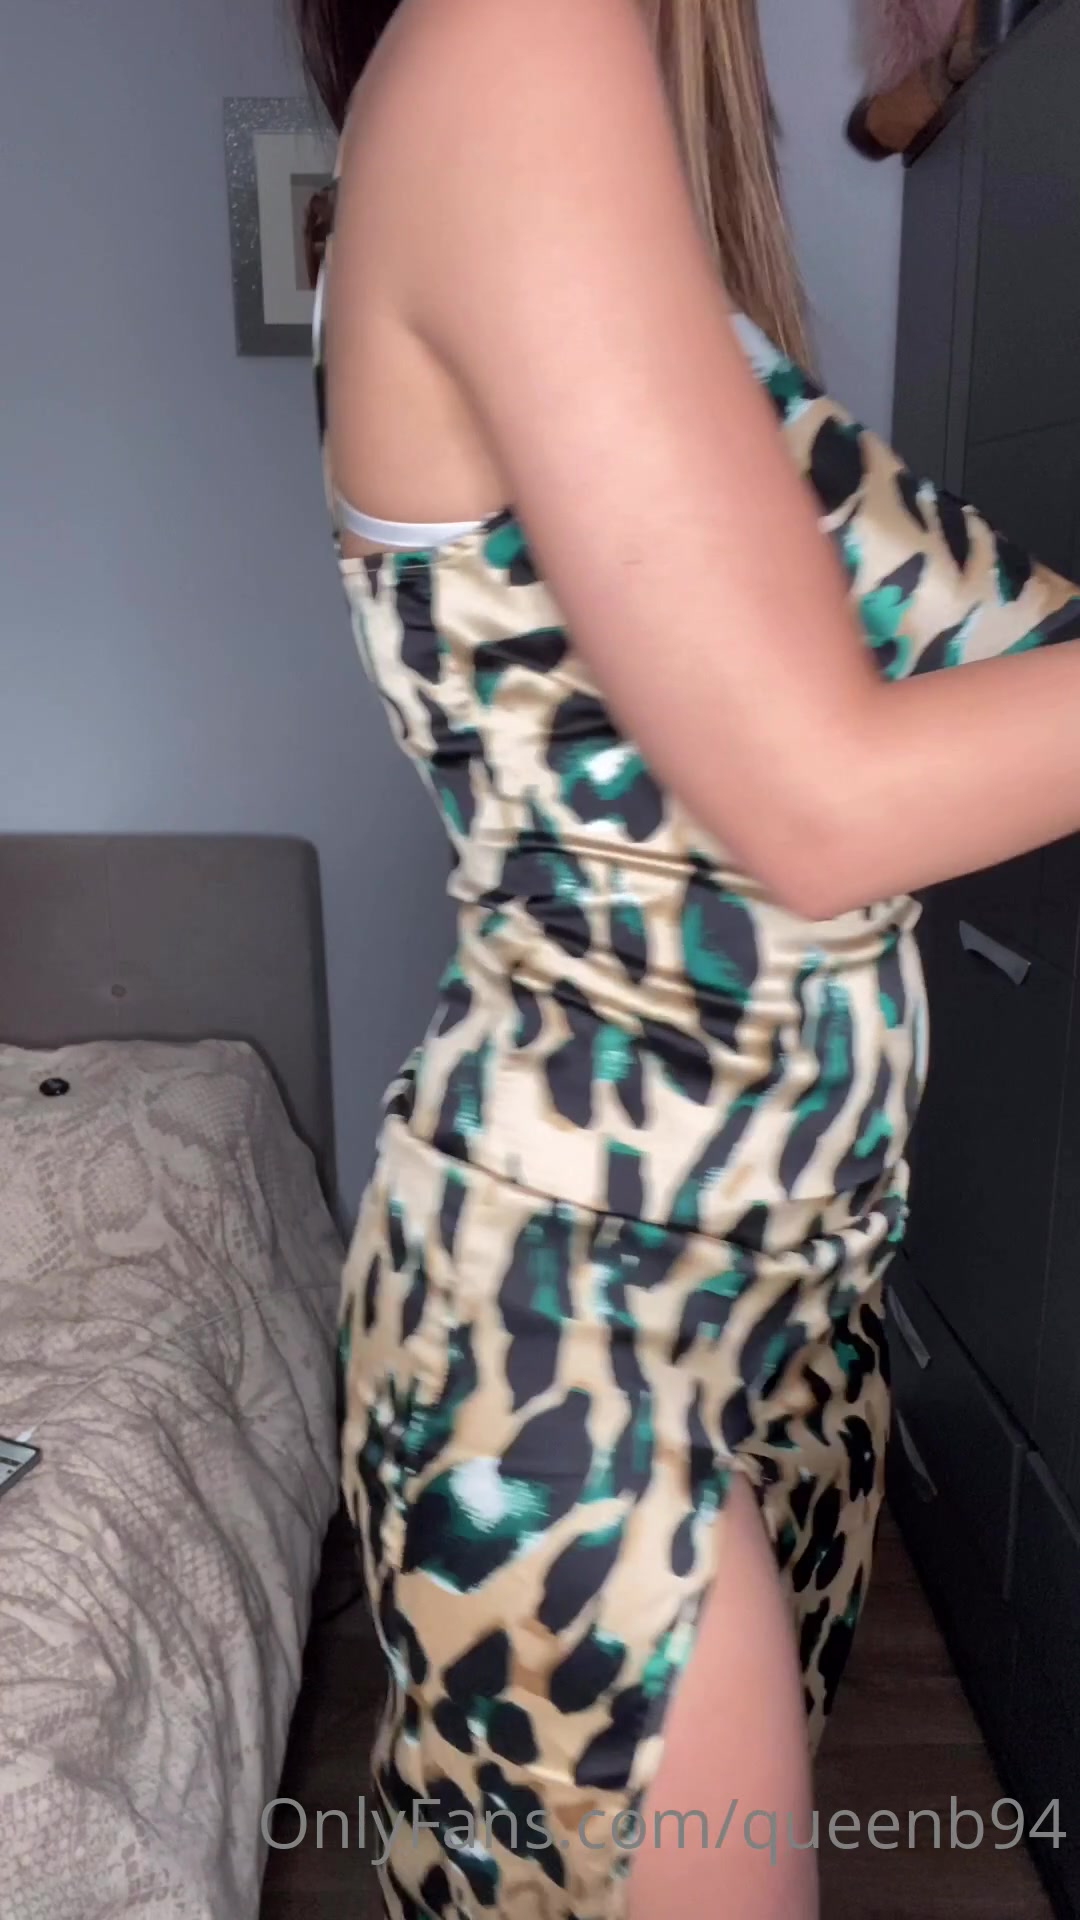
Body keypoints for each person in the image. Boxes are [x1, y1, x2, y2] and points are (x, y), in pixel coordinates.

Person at [293, 1, 1080, 1914]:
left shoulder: (604, 117)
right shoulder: (514, 41)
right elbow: (822, 800)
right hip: (585, 1343)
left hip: (768, 1306)